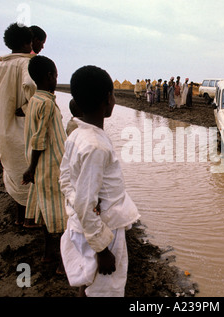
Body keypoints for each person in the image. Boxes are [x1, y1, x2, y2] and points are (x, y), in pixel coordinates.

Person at [59, 65, 140, 297]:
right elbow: (86, 202)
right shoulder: (96, 146)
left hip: (84, 225)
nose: (114, 99)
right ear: (108, 98)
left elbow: (65, 179)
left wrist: (78, 207)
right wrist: (103, 248)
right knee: (107, 289)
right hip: (103, 230)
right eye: (113, 93)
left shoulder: (77, 135)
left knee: (88, 280)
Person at [0, 22, 36, 226]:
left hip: (1, 129)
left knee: (13, 172)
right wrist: (26, 108)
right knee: (29, 172)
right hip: (19, 128)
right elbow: (32, 87)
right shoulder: (26, 64)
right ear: (28, 43)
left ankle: (19, 218)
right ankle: (30, 218)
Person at [22, 55, 67, 266]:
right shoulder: (47, 104)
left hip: (43, 165)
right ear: (50, 77)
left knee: (47, 210)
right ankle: (59, 260)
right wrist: (31, 168)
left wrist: (32, 167)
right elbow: (39, 140)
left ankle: (48, 255)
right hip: (51, 165)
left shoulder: (34, 100)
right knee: (58, 213)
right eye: (56, 76)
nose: (57, 79)